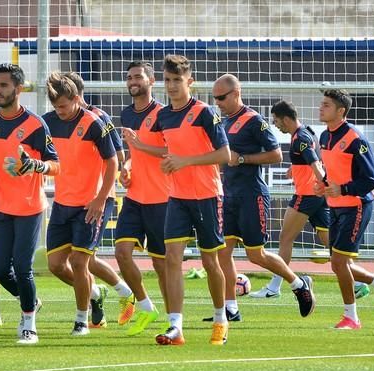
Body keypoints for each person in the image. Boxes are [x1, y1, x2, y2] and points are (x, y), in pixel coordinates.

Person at [208, 74, 315, 322]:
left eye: (221, 97)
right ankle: (231, 309)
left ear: (236, 93)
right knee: (222, 253)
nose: (218, 102)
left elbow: (276, 154)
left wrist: (242, 159)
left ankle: (298, 283)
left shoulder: (254, 120)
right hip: (229, 196)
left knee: (256, 255)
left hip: (251, 196)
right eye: (215, 98)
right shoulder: (225, 122)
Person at [251, 100, 370, 299]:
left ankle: (274, 287)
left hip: (307, 195)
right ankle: (360, 283)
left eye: (276, 120)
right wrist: (297, 169)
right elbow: (319, 158)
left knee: (285, 239)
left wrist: (323, 182)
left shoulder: (300, 138)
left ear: (286, 119)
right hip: (318, 196)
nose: (275, 124)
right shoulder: (307, 133)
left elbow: (316, 164)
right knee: (331, 244)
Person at [0, 63, 59, 344]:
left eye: (3, 86)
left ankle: (28, 325)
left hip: (29, 207)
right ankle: (31, 301)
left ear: (18, 89)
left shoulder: (35, 124)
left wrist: (35, 165)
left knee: (22, 267)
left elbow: (56, 165)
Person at [152, 55, 230, 346]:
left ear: (190, 82)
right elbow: (167, 153)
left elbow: (225, 155)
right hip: (177, 197)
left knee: (211, 261)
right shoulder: (163, 116)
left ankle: (221, 319)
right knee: (172, 259)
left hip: (208, 195)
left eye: (177, 80)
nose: (171, 86)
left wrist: (185, 161)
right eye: (168, 80)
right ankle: (176, 327)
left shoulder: (205, 113)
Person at [315, 89, 374, 329]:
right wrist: (324, 185)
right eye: (322, 103)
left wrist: (343, 189)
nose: (321, 108)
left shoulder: (355, 139)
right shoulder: (324, 137)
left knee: (339, 263)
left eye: (327, 105)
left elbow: (371, 179)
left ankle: (351, 317)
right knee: (341, 263)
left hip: (357, 205)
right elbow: (333, 172)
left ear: (341, 111)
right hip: (336, 206)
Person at [43, 72, 117, 336]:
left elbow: (113, 161)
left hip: (91, 203)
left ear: (76, 99)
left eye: (63, 105)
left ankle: (81, 321)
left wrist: (101, 198)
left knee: (79, 261)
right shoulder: (47, 122)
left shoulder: (95, 123)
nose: (59, 111)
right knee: (54, 265)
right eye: (55, 107)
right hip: (63, 203)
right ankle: (95, 293)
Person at [63, 71, 135, 328]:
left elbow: (117, 154)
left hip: (97, 199)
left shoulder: (98, 118)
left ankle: (115, 296)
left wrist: (104, 192)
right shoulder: (63, 121)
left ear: (76, 95)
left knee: (80, 259)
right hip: (69, 199)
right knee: (76, 260)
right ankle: (104, 293)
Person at [116, 61, 169, 336]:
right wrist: (126, 167)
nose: (132, 81)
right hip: (135, 196)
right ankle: (147, 307)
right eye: (129, 77)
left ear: (151, 81)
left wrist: (140, 145)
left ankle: (174, 321)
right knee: (121, 253)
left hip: (162, 198)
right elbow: (132, 155)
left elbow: (171, 152)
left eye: (138, 76)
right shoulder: (126, 114)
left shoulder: (164, 114)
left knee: (162, 265)